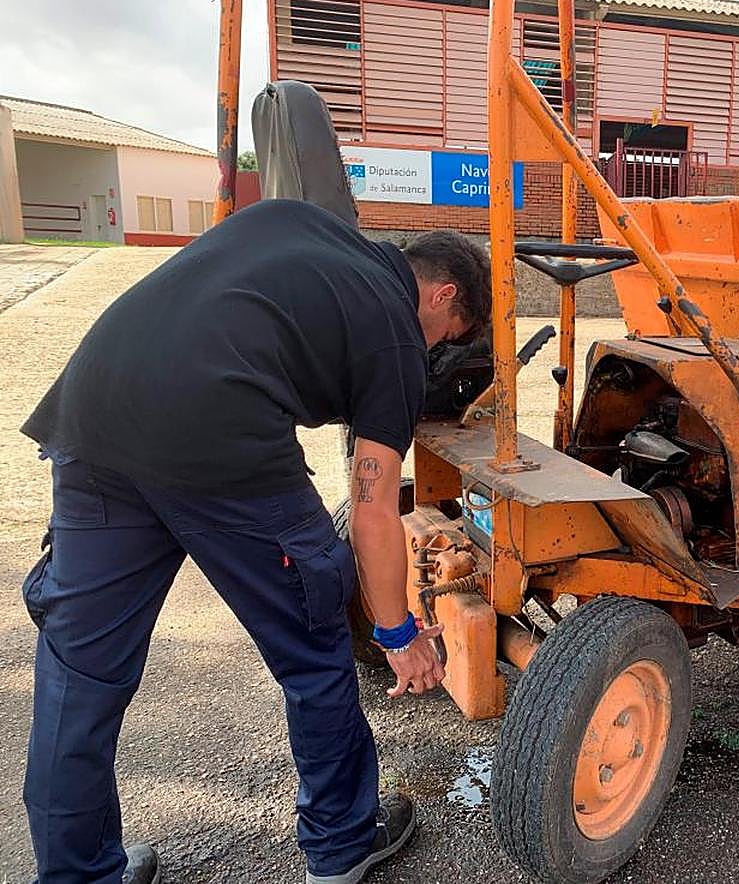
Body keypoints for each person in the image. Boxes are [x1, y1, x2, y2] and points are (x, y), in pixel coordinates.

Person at [19, 199, 491, 884]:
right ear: (442, 293)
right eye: (450, 332)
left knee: (79, 674)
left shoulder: (300, 222)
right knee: (312, 641)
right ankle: (342, 844)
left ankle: (77, 874)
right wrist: (398, 633)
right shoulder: (395, 335)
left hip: (93, 415)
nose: (440, 348)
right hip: (219, 441)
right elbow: (373, 513)